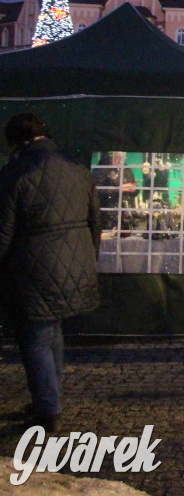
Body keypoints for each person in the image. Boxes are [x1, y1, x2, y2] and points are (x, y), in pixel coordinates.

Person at [0, 113, 100, 433]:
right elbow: (95, 221)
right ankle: (49, 396)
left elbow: (2, 232)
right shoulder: (77, 168)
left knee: (36, 339)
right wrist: (88, 259)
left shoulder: (15, 173)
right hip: (75, 263)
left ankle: (47, 408)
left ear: (16, 142)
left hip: (32, 268)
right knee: (52, 334)